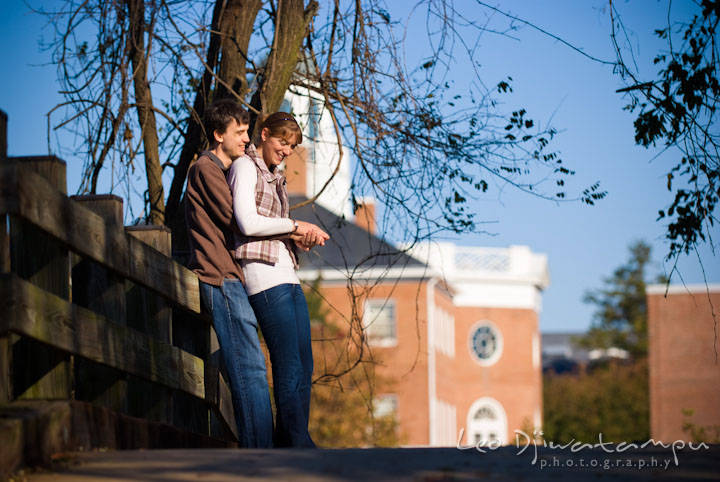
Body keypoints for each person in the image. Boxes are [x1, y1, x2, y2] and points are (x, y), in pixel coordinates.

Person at [184, 100, 314, 447]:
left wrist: (290, 234)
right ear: (218, 135)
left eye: (246, 132)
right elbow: (243, 221)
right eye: (239, 132)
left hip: (235, 277)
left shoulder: (237, 169)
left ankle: (271, 447)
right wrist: (292, 227)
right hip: (220, 276)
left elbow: (249, 222)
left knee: (260, 367)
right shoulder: (208, 168)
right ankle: (262, 452)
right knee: (250, 369)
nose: (245, 139)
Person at [228, 112, 329, 448]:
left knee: (304, 364)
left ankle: (294, 438)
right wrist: (295, 226)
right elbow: (247, 223)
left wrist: (297, 239)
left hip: (286, 274)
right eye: (282, 143)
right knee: (287, 364)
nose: (287, 150)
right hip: (263, 278)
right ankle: (296, 444)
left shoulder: (275, 177)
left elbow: (272, 228)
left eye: (291, 146)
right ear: (265, 133)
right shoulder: (244, 167)